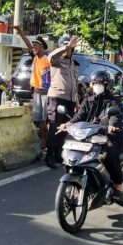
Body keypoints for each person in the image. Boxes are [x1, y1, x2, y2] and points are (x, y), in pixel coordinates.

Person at [60, 69, 123, 194]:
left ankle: (119, 183)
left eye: (100, 83)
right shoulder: (88, 100)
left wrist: (112, 126)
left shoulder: (114, 101)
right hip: (89, 134)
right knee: (70, 149)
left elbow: (115, 116)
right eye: (94, 83)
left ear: (107, 84)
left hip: (109, 135)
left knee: (108, 155)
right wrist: (67, 124)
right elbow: (79, 117)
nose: (97, 85)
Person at [45, 35, 80, 169]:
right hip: (57, 97)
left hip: (69, 100)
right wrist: (66, 46)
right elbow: (51, 57)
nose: (68, 50)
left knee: (65, 127)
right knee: (54, 126)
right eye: (66, 47)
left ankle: (58, 153)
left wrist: (76, 102)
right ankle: (49, 155)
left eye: (71, 48)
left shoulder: (73, 64)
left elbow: (75, 84)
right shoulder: (56, 61)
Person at [14, 29, 50, 148]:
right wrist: (20, 31)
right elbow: (28, 45)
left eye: (36, 45)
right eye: (33, 45)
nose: (33, 47)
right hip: (36, 91)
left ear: (42, 46)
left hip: (46, 92)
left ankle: (45, 141)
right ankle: (43, 141)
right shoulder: (35, 57)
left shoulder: (48, 58)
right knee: (38, 119)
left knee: (44, 119)